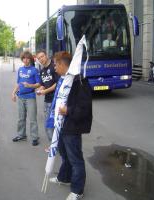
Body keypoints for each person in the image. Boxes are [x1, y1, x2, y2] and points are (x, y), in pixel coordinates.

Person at [49, 51, 92, 200]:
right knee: (65, 155)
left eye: (56, 64)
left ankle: (77, 190)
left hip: (72, 126)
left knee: (75, 159)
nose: (54, 67)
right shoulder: (64, 79)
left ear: (62, 64)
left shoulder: (79, 81)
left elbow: (85, 108)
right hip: (62, 125)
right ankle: (64, 178)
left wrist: (68, 110)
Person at [11, 51, 41, 146]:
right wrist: (13, 93)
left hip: (30, 97)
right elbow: (18, 83)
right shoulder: (20, 69)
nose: (25, 60)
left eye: (28, 58)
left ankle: (35, 137)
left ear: (31, 59)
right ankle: (21, 135)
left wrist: (29, 85)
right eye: (24, 58)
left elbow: (38, 84)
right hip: (20, 97)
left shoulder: (34, 70)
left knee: (32, 119)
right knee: (21, 118)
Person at [36, 50, 58, 146]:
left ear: (46, 56)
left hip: (56, 99)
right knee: (49, 124)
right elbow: (42, 84)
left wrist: (45, 91)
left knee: (55, 124)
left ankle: (55, 146)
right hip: (47, 100)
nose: (41, 59)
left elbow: (57, 84)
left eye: (42, 56)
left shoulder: (54, 66)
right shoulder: (42, 71)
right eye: (39, 58)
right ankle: (54, 145)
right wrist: (40, 90)